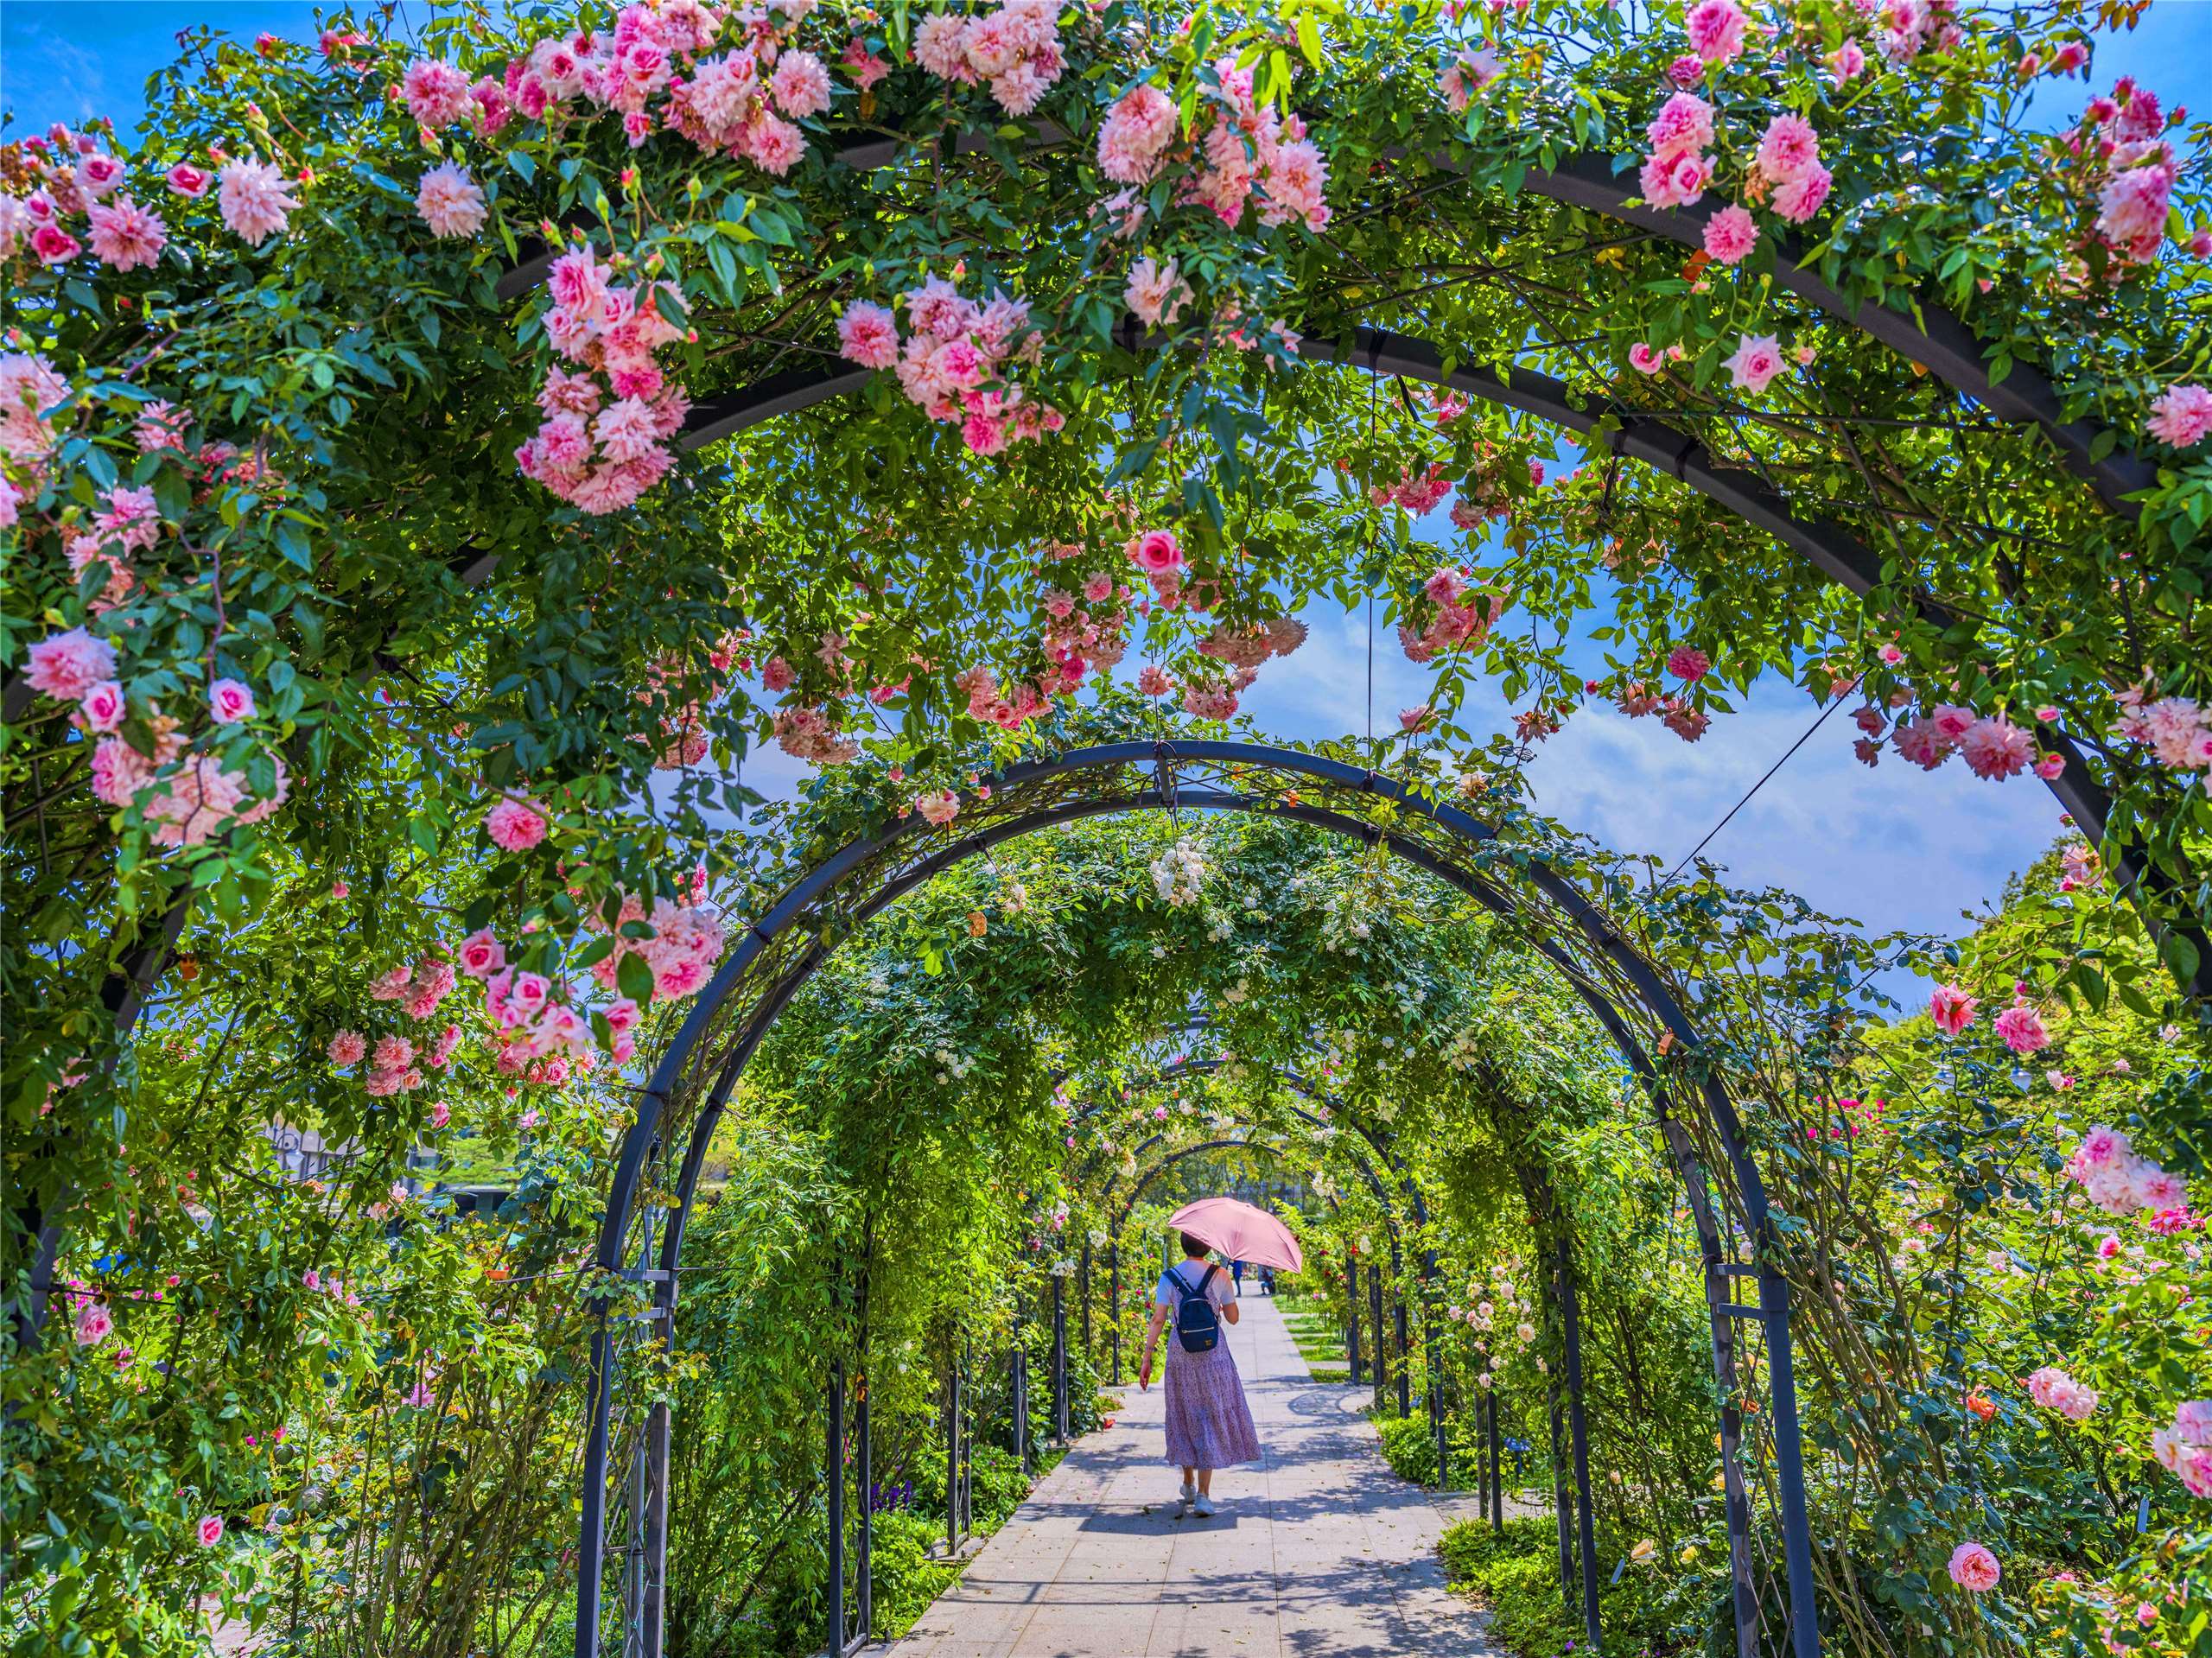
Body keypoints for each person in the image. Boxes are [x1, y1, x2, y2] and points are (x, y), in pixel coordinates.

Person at [1139, 1231, 1261, 1515]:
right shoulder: (1220, 1275)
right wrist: (1218, 1303)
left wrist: (1147, 1357)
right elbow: (1233, 1318)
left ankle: (1188, 1483)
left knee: (1184, 1413)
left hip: (1181, 1354)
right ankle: (1205, 1495)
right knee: (1210, 1413)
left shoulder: (1168, 1277)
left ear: (1183, 1245)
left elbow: (1158, 1319)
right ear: (1208, 1245)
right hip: (1212, 1354)